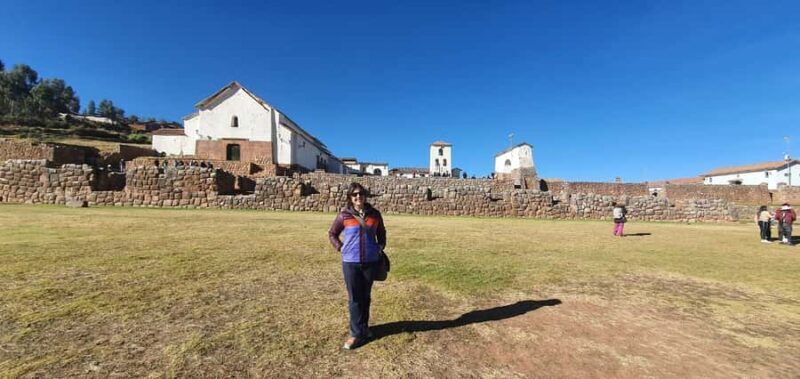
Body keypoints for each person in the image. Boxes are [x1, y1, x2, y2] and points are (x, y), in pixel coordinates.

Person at [328, 182, 387, 350]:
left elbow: (382, 233)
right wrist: (340, 247)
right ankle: (355, 334)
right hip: (350, 263)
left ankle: (364, 328)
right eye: (354, 195)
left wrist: (379, 247)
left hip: (370, 262)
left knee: (366, 297)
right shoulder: (344, 215)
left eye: (360, 193)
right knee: (355, 299)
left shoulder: (375, 214)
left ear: (365, 195)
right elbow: (332, 233)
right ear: (350, 198)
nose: (358, 197)